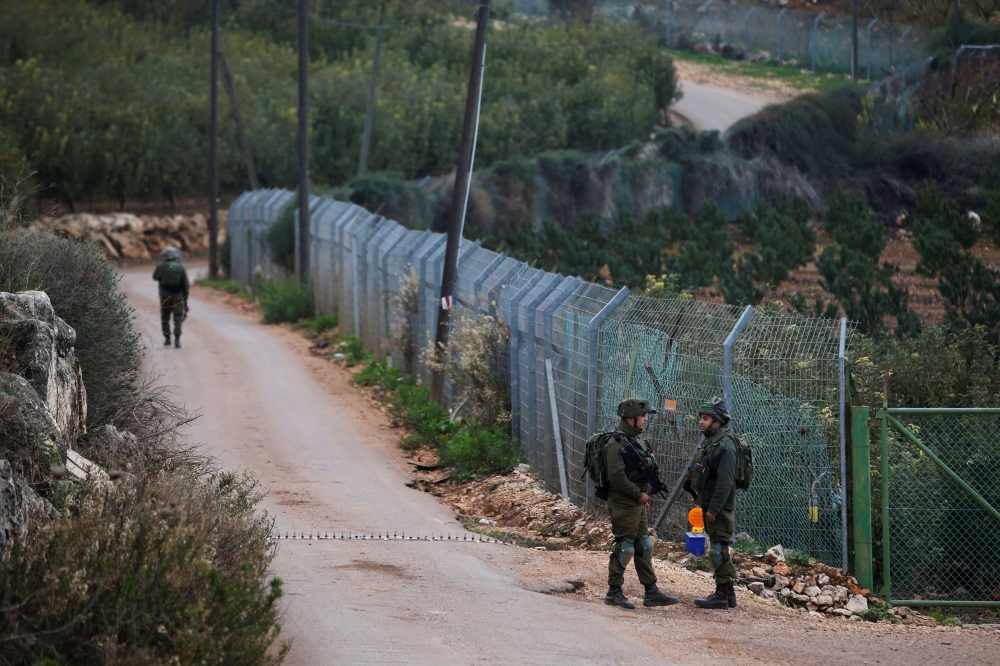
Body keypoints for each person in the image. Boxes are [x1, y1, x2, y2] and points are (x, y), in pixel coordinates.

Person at [603, 397, 680, 610]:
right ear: (632, 417)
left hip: (636, 502)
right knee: (625, 546)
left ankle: (651, 591)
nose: (645, 420)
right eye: (643, 416)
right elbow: (616, 477)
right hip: (623, 502)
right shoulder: (615, 443)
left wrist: (643, 496)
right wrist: (639, 495)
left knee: (644, 545)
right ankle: (614, 591)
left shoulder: (636, 441)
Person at [691, 397, 738, 609]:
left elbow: (725, 481)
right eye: (701, 418)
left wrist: (714, 509)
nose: (701, 422)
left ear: (717, 422)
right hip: (711, 505)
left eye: (706, 418)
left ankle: (720, 595)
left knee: (717, 550)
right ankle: (728, 595)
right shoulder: (713, 443)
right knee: (720, 549)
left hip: (719, 508)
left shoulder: (725, 446)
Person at [153, 247, 189, 348]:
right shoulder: (180, 267)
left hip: (164, 294)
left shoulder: (161, 266)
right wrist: (185, 299)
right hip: (178, 294)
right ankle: (177, 339)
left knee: (165, 317)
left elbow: (155, 277)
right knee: (177, 316)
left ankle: (167, 339)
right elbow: (186, 284)